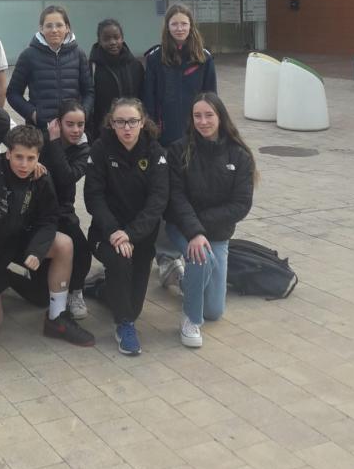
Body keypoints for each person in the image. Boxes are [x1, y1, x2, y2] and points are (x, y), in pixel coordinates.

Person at [0, 124, 95, 346]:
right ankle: (1, 279)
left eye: (31, 158)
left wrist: (37, 250)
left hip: (20, 242)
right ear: (8, 153)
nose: (24, 164)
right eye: (19, 157)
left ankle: (57, 317)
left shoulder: (41, 178)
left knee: (64, 244)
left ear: (38, 157)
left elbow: (49, 219)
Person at [165, 93, 256, 348]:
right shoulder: (179, 150)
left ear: (221, 117)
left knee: (214, 311)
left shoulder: (239, 155)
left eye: (209, 115)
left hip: (217, 232)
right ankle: (190, 320)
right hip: (182, 227)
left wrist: (202, 226)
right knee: (201, 257)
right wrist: (194, 232)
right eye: (197, 116)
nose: (203, 121)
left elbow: (241, 205)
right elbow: (176, 197)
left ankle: (181, 278)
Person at [84, 98, 168, 356]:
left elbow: (157, 202)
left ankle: (100, 289)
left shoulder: (155, 153)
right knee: (121, 268)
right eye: (120, 122)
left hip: (140, 236)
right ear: (112, 123)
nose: (127, 128)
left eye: (132, 121)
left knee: (134, 306)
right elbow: (93, 197)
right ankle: (124, 327)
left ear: (142, 122)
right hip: (106, 234)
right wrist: (114, 232)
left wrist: (130, 234)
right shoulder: (100, 149)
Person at [144, 3, 217, 290]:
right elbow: (149, 100)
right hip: (165, 141)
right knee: (165, 198)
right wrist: (153, 134)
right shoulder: (155, 58)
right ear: (167, 27)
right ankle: (166, 257)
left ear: (191, 26)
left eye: (183, 24)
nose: (179, 28)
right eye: (174, 24)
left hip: (194, 140)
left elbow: (212, 101)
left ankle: (193, 247)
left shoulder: (204, 58)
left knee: (192, 195)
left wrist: (209, 133)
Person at [40, 99, 92, 319]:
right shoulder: (42, 140)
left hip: (63, 211)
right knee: (38, 296)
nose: (76, 130)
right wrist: (50, 142)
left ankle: (76, 291)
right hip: (38, 211)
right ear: (58, 123)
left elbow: (67, 177)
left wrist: (54, 144)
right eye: (70, 124)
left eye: (80, 124)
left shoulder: (83, 149)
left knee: (82, 249)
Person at [6, 5, 93, 128]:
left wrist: (82, 115)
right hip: (41, 130)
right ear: (41, 29)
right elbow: (13, 93)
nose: (54, 30)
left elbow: (89, 92)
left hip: (73, 129)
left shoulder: (79, 54)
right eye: (49, 26)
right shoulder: (28, 55)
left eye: (59, 25)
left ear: (67, 28)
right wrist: (34, 115)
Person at [88, 19, 145, 142]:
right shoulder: (92, 67)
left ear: (122, 38)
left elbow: (142, 97)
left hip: (132, 130)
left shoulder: (135, 66)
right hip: (103, 133)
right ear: (99, 41)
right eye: (106, 39)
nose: (113, 42)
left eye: (116, 37)